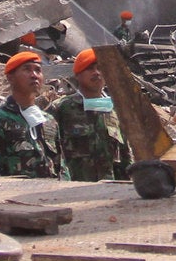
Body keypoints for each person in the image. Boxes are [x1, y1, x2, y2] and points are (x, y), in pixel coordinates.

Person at [0, 51, 63, 178]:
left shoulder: (48, 121)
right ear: (10, 77)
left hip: (49, 195)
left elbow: (61, 166)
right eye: (27, 70)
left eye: (38, 70)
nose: (34, 75)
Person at [52, 48, 133, 181]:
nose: (97, 73)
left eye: (100, 68)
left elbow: (125, 154)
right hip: (74, 190)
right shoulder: (62, 108)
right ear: (78, 75)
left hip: (110, 189)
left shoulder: (115, 109)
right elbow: (54, 153)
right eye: (90, 69)